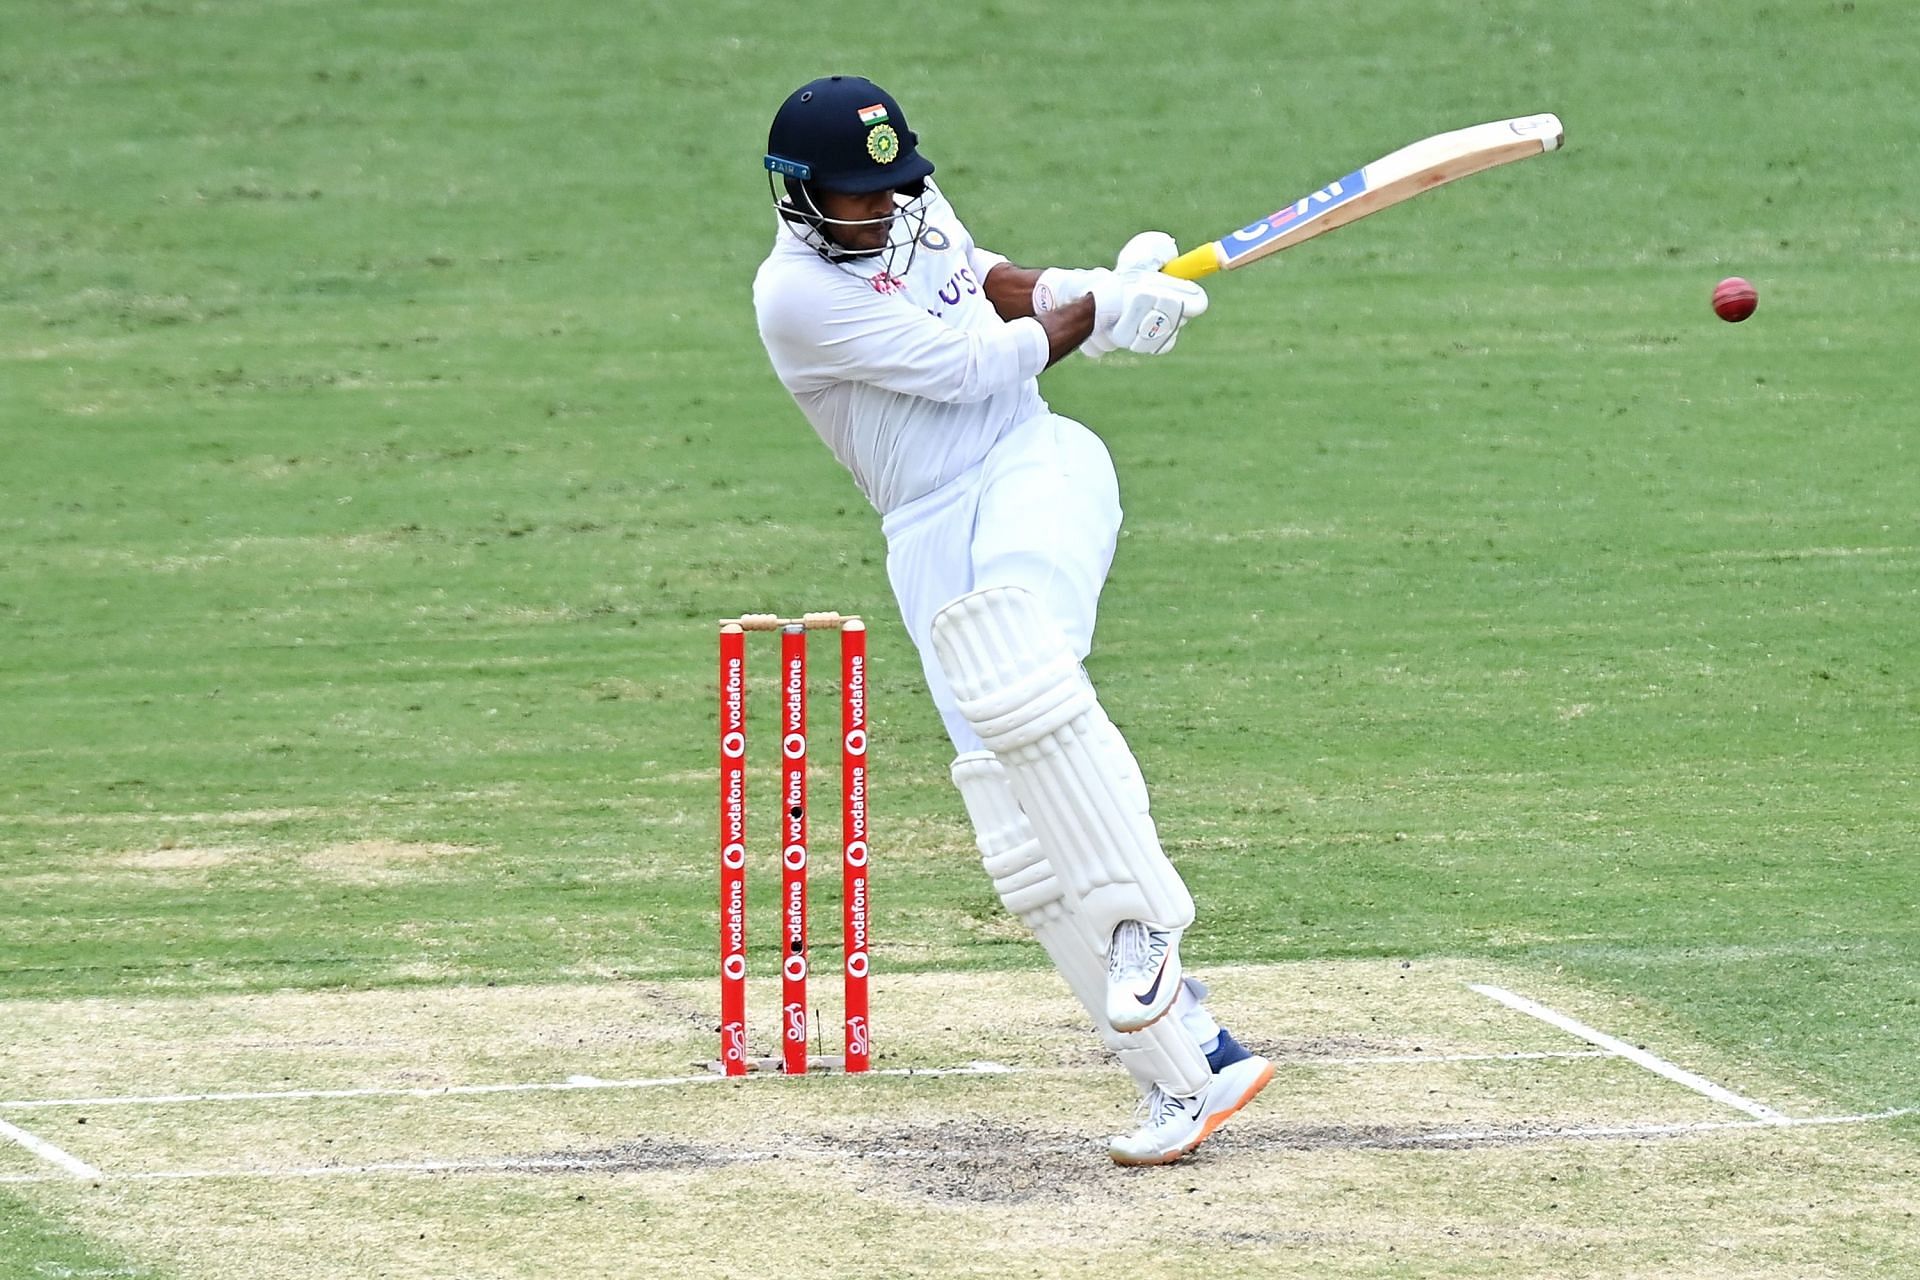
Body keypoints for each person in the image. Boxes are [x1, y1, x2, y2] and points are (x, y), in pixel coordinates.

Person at [752, 74, 1272, 1166]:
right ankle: (1194, 1065)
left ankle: (1145, 923)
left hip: (1034, 460)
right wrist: (1100, 310)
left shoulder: (907, 207)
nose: (886, 210)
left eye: (896, 188)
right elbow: (969, 362)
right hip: (928, 527)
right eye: (859, 196)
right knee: (1014, 817)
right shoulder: (793, 295)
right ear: (799, 198)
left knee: (1023, 667)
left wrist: (1099, 293)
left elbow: (993, 285)